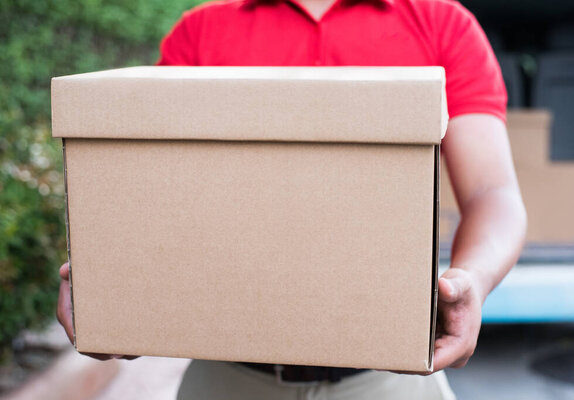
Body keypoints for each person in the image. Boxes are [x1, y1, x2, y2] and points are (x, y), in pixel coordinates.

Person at [56, 0, 527, 398]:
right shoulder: (202, 33)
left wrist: (472, 282)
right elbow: (141, 193)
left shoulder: (441, 23)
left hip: (390, 380)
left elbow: (493, 193)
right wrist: (111, 290)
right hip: (228, 378)